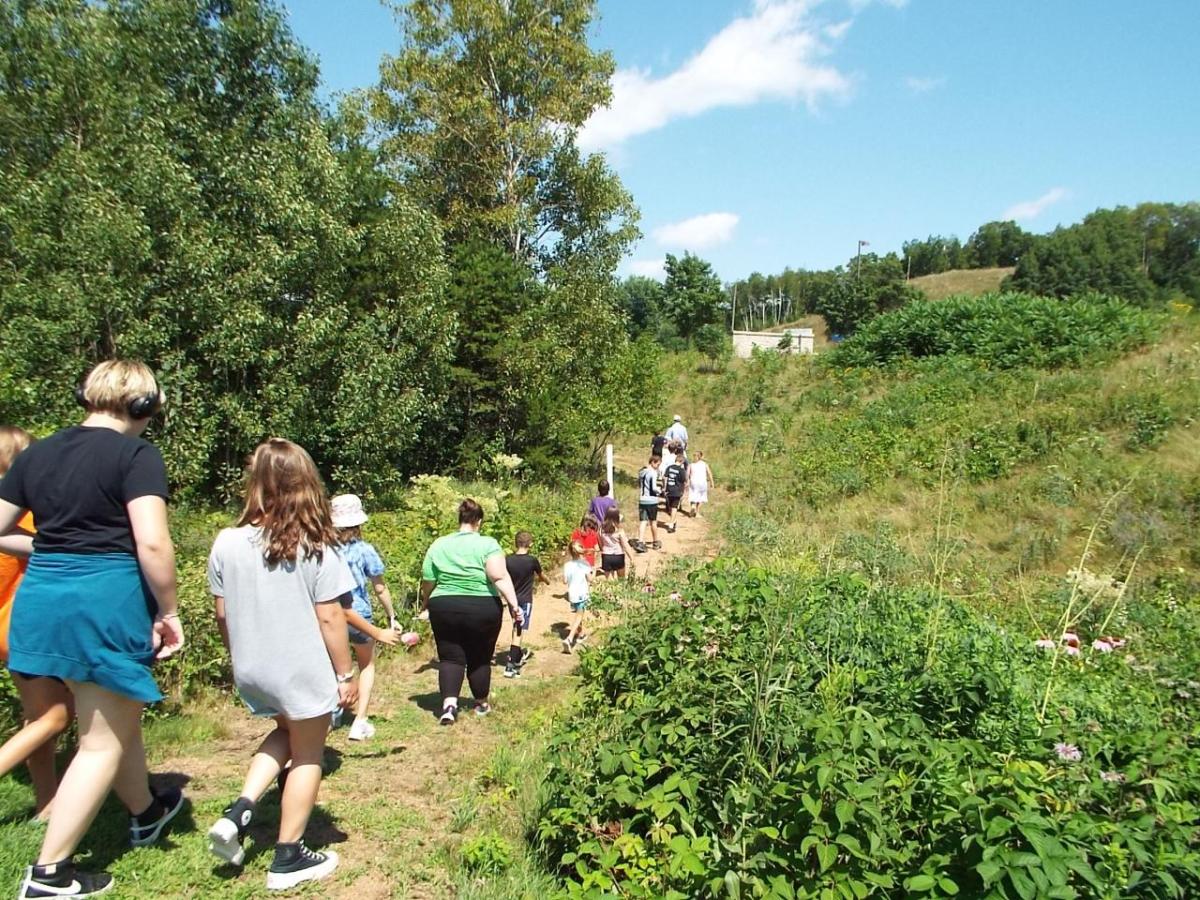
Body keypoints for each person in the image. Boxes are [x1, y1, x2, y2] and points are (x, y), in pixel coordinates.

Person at [0, 361, 185, 899]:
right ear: (144, 407)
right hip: (105, 602)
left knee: (110, 716)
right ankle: (50, 874)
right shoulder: (136, 455)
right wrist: (168, 610)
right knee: (100, 743)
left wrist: (54, 547)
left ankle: (146, 811)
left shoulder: (38, 452)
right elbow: (151, 542)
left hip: (41, 603)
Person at [206, 439, 356, 890]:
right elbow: (330, 616)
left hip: (253, 667)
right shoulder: (314, 546)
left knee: (286, 733)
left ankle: (240, 810)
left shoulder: (227, 542)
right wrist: (345, 674)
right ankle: (288, 857)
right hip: (300, 667)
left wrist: (240, 660)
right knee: (309, 752)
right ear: (305, 484)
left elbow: (222, 614)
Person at [0, 427, 73, 825]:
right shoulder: (21, 512)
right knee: (56, 717)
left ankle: (47, 804)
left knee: (41, 716)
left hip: (8, 629)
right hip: (28, 626)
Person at [419, 499, 524, 725]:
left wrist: (427, 603)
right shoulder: (488, 544)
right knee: (479, 658)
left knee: (450, 657)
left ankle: (449, 705)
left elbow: (428, 579)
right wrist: (515, 606)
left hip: (444, 605)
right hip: (482, 606)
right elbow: (499, 576)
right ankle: (481, 703)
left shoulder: (439, 544)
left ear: (460, 519)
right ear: (479, 521)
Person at [330, 494, 398, 742]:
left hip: (329, 615)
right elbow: (379, 587)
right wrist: (392, 616)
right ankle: (359, 720)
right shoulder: (364, 550)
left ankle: (333, 712)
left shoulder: (322, 550)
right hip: (360, 613)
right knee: (366, 664)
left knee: (333, 666)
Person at [503, 532, 549, 679]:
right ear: (530, 544)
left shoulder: (507, 560)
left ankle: (516, 657)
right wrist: (547, 581)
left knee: (516, 627)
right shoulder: (532, 561)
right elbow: (541, 575)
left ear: (515, 543)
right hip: (525, 600)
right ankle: (511, 666)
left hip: (512, 600)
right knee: (518, 631)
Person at [561, 541, 593, 653]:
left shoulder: (567, 565)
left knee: (579, 613)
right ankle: (569, 638)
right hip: (582, 593)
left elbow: (564, 581)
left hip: (571, 594)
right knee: (579, 616)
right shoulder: (584, 563)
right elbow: (590, 579)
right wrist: (593, 572)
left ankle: (581, 634)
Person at [635, 454, 662, 553]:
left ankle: (640, 542)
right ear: (653, 462)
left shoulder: (642, 472)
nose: (658, 466)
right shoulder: (653, 473)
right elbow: (653, 488)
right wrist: (660, 491)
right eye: (658, 464)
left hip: (642, 499)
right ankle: (655, 542)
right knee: (653, 522)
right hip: (652, 500)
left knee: (643, 521)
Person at [599, 508, 635, 579]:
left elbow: (600, 543)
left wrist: (603, 550)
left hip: (606, 556)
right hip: (618, 555)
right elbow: (625, 545)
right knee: (621, 580)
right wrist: (631, 558)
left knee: (609, 582)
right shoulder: (619, 530)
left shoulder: (601, 529)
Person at [663, 451, 689, 534]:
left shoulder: (669, 467)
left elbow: (664, 477)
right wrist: (684, 492)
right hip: (677, 491)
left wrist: (664, 487)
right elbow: (685, 482)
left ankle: (673, 521)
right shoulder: (681, 470)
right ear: (682, 462)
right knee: (674, 508)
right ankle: (671, 524)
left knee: (671, 507)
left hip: (669, 490)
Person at [688, 451, 715, 517]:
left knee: (693, 495)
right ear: (701, 457)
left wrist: (687, 482)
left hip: (693, 482)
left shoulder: (691, 465)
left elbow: (687, 474)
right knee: (701, 497)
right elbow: (709, 473)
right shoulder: (705, 464)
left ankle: (693, 506)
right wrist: (712, 482)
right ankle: (697, 512)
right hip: (702, 482)